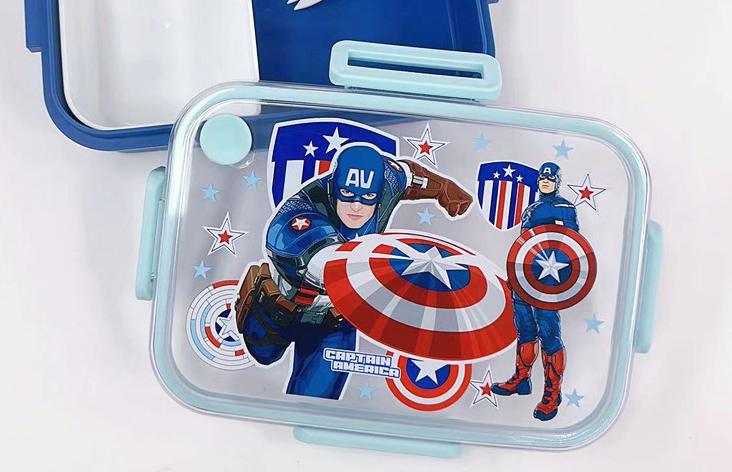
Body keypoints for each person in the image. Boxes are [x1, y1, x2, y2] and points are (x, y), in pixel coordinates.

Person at [235, 143, 472, 399]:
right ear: (333, 186)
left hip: (334, 322)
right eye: (347, 193)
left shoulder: (386, 182)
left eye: (367, 197)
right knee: (263, 355)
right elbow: (332, 268)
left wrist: (443, 187)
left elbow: (410, 175)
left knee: (315, 401)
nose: (356, 206)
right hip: (279, 314)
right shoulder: (298, 216)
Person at [491, 162, 578, 421]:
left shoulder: (564, 208)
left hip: (549, 280)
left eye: (550, 178)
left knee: (549, 334)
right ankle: (521, 379)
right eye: (542, 178)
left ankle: (552, 393)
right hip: (524, 277)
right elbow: (523, 244)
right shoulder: (530, 209)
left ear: (558, 181)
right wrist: (515, 274)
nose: (545, 181)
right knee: (526, 329)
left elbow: (572, 245)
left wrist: (560, 278)